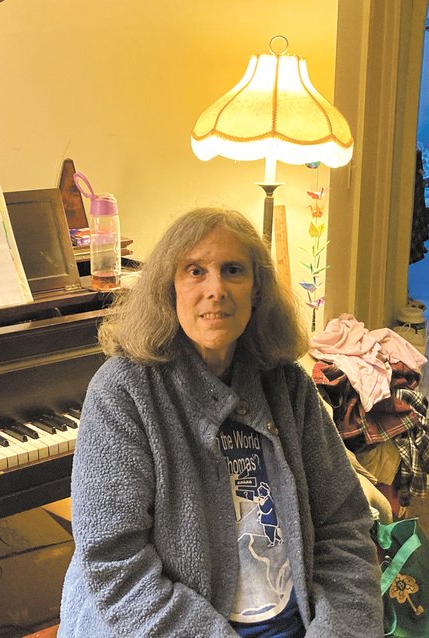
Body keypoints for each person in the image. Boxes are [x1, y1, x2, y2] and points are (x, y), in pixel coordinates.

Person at [58, 208, 383, 637]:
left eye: (233, 270)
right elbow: (114, 562)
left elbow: (344, 527)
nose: (215, 289)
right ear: (168, 290)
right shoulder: (122, 391)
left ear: (257, 291)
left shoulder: (289, 387)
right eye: (195, 271)